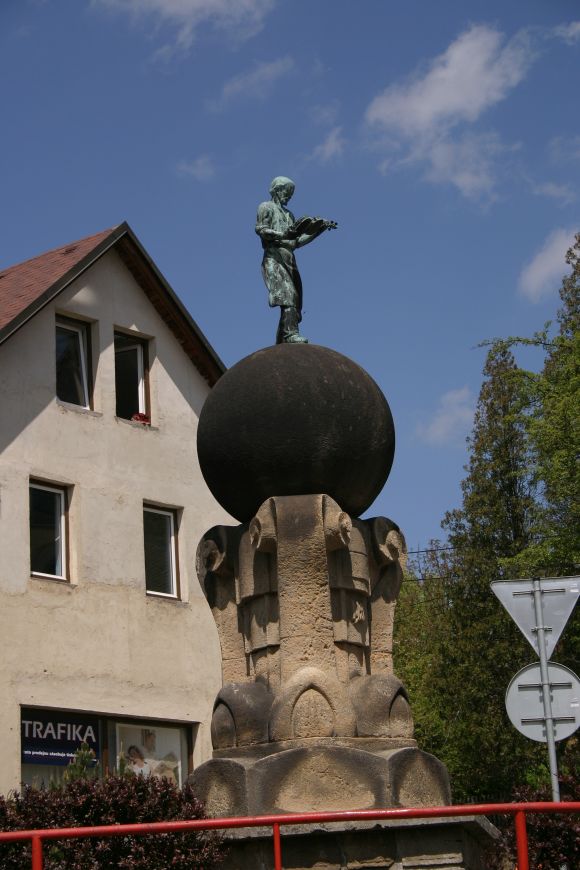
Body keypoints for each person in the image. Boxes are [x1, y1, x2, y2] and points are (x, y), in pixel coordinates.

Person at [255, 176, 337, 344]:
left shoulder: (289, 215)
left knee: (295, 302)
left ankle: (282, 340)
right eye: (287, 191)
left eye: (291, 193)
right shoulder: (266, 207)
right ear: (277, 189)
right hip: (273, 257)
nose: (289, 196)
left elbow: (296, 242)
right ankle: (290, 334)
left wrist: (317, 231)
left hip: (290, 260)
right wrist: (283, 234)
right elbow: (261, 230)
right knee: (288, 296)